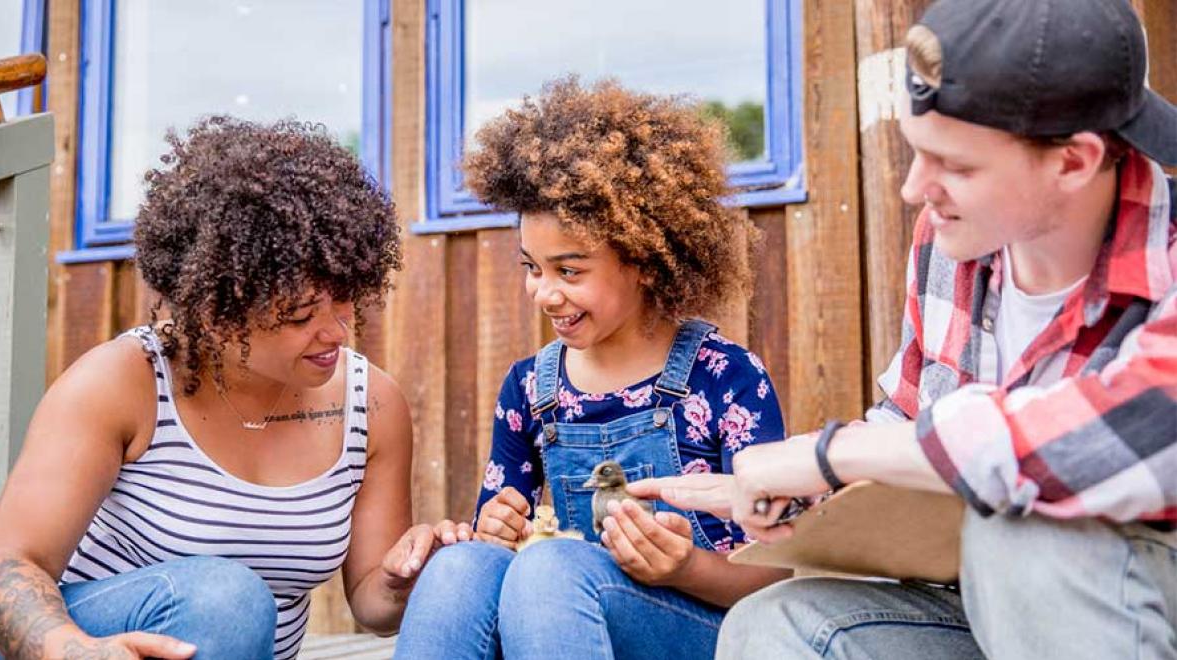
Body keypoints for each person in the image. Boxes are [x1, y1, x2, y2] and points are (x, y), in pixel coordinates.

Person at [634, 0, 1177, 657]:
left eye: (957, 165)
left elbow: (1109, 437)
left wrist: (827, 456)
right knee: (777, 625)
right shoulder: (950, 242)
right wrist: (803, 492)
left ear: (1074, 161)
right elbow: (909, 422)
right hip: (979, 607)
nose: (915, 188)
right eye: (916, 154)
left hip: (1136, 611)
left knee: (1027, 529)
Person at [0, 117, 468, 660]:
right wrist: (72, 649)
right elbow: (13, 564)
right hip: (87, 643)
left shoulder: (371, 404)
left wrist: (401, 577)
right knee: (228, 597)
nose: (337, 331)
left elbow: (370, 603)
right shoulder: (123, 381)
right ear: (216, 312)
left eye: (343, 300)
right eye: (298, 316)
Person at [394, 77, 789, 660]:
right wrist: (498, 532)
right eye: (532, 267)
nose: (544, 293)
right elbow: (498, 549)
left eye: (569, 271)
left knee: (554, 569)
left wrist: (683, 568)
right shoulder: (530, 388)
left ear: (645, 262)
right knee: (461, 567)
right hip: (560, 623)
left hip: (705, 631)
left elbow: (780, 572)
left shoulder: (725, 377)